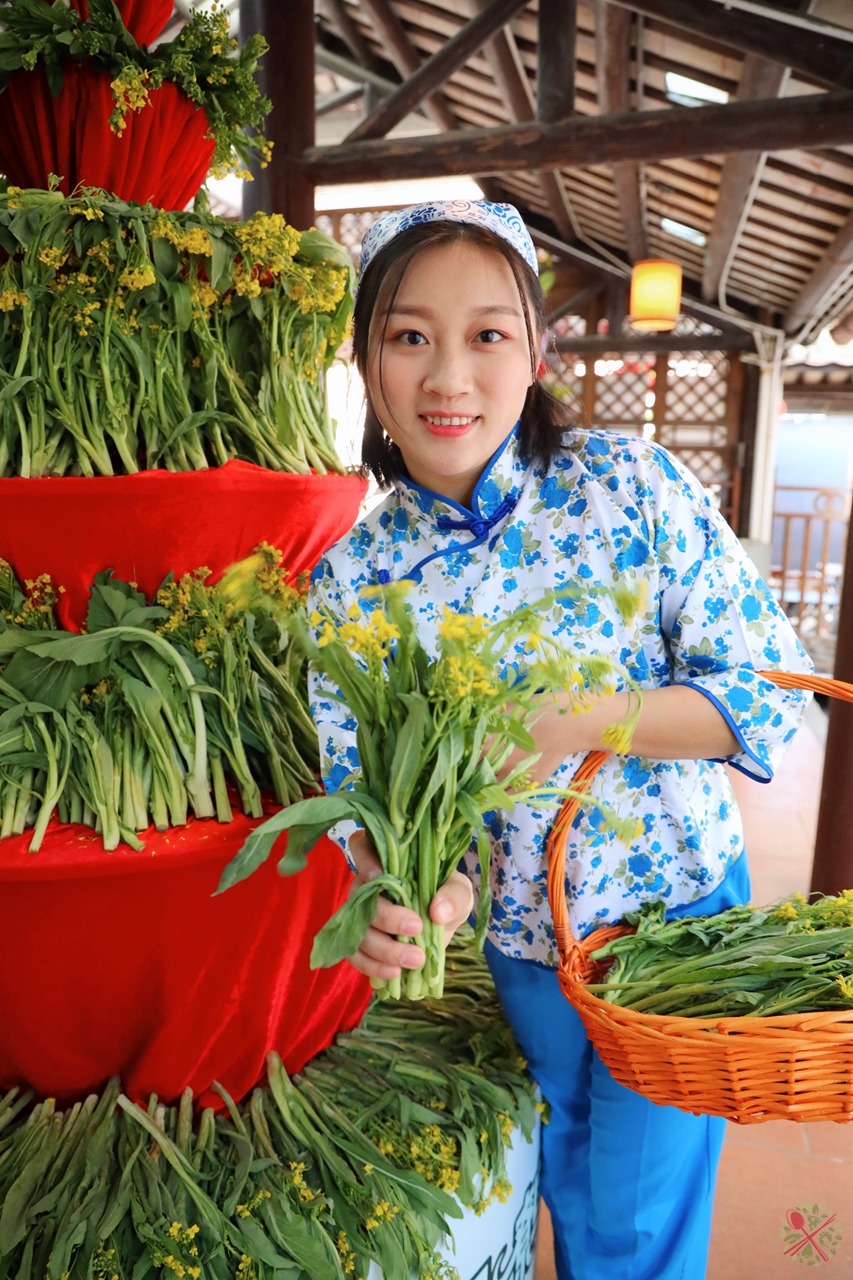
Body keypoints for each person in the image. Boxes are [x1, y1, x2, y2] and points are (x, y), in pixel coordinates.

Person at [307, 200, 812, 1280]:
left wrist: (576, 718)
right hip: (518, 947)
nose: (448, 376)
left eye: (487, 333)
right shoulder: (351, 579)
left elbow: (767, 692)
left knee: (632, 1223)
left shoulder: (626, 485)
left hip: (666, 936)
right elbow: (362, 788)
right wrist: (397, 887)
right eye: (410, 335)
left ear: (536, 353)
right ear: (365, 360)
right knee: (567, 1173)